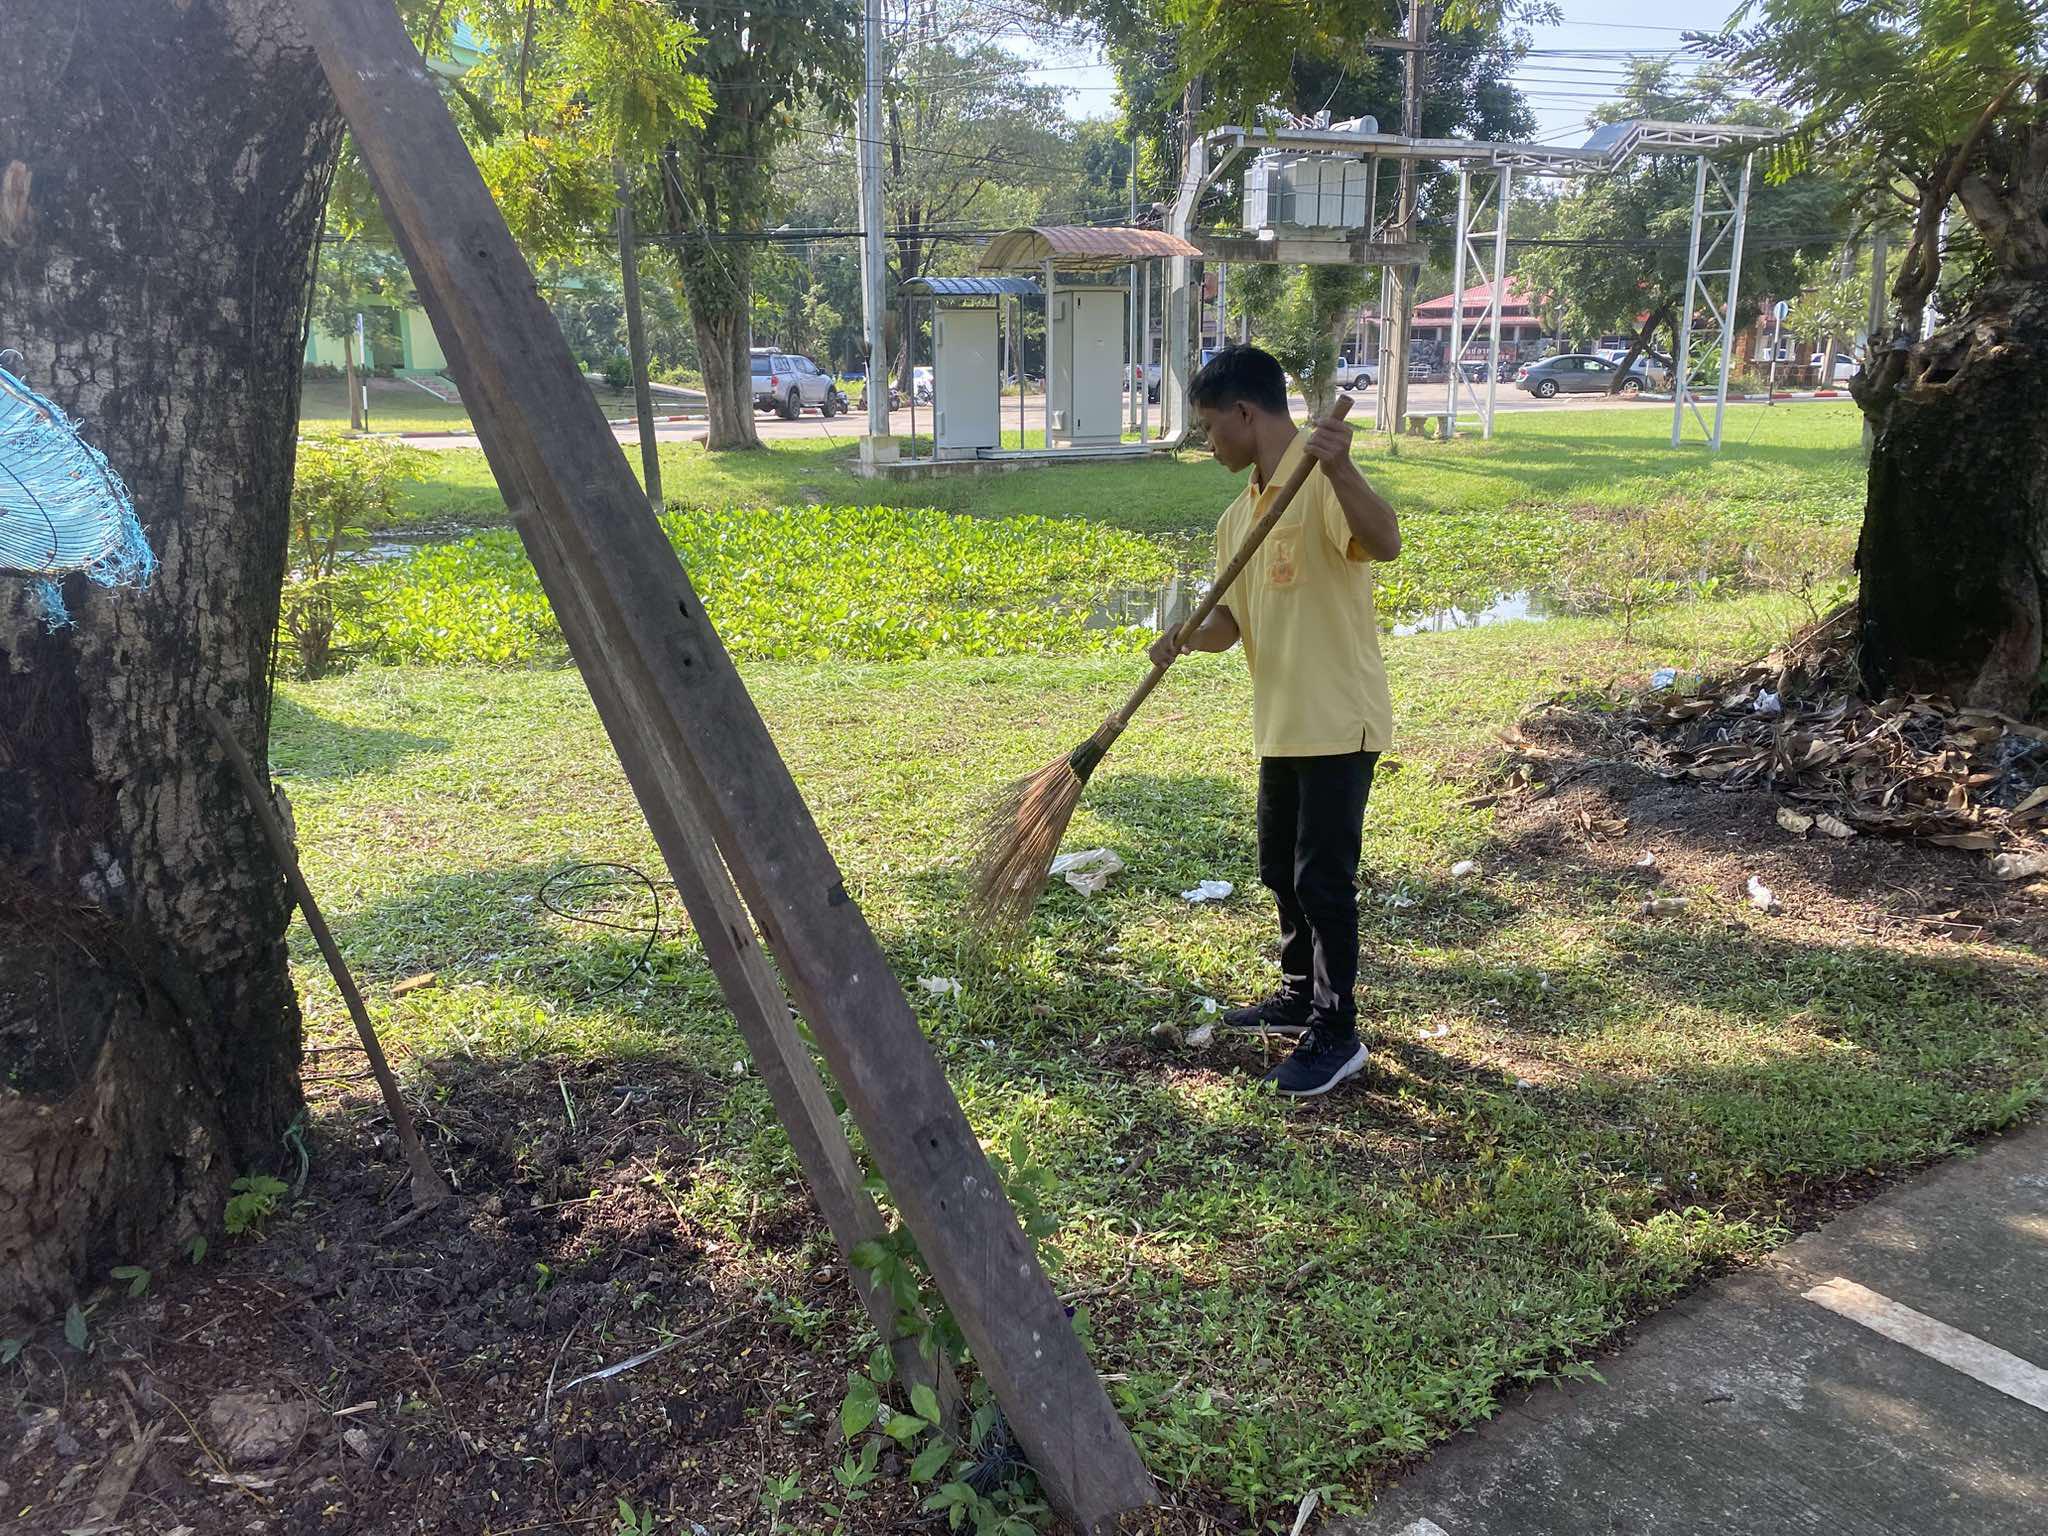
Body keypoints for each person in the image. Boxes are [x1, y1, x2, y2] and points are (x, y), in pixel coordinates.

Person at [1150, 345, 1401, 1097]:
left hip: (1338, 720)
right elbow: (1232, 621)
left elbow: (1384, 542)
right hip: (1282, 724)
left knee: (1324, 883)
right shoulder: (1238, 518)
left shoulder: (1319, 484)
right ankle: (1298, 995)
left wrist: (1344, 468)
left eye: (1208, 428)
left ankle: (1337, 1031)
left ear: (1245, 413)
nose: (1208, 443)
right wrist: (1188, 635)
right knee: (1279, 873)